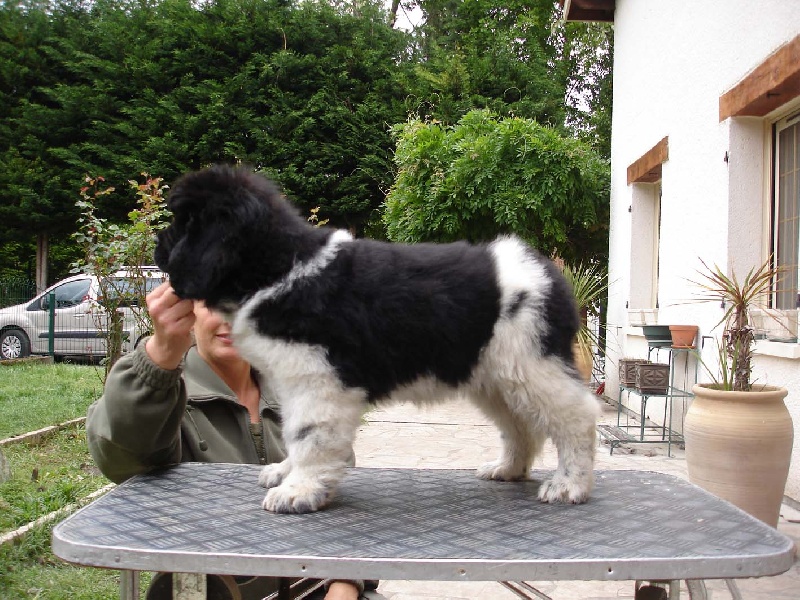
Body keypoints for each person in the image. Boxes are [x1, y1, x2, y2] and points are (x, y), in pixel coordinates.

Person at [87, 281, 383, 600]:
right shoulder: (163, 401)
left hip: (312, 587)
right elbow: (122, 455)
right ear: (189, 312)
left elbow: (344, 506)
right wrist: (160, 356)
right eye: (214, 303)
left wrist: (344, 586)